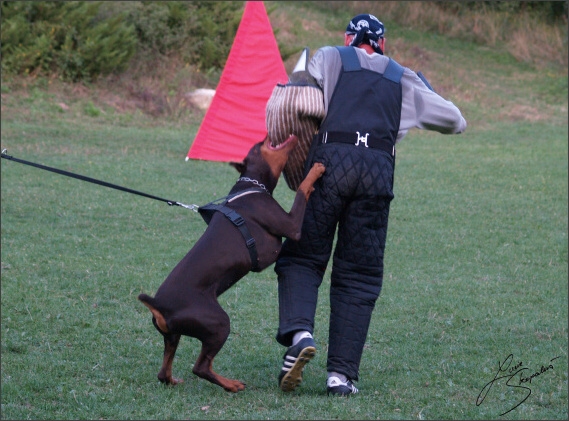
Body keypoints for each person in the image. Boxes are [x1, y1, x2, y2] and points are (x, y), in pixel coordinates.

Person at [274, 13, 467, 396]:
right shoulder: (403, 77)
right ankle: (340, 377)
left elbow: (298, 97)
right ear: (382, 44)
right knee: (359, 274)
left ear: (349, 38)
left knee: (302, 257)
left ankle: (300, 334)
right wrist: (418, 93)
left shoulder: (329, 57)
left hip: (329, 163)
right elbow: (456, 121)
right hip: (378, 171)